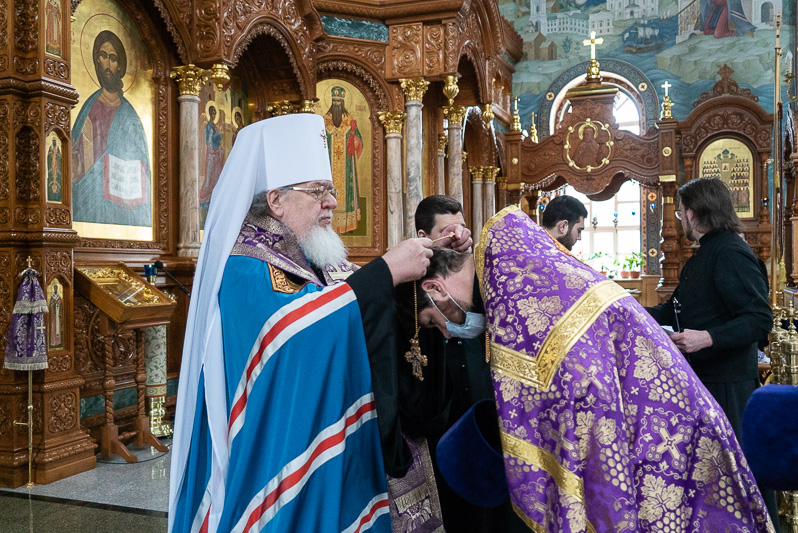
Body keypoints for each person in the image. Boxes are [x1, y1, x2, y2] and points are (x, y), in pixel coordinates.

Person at [400, 206, 774, 532]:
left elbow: (570, 382)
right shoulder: (512, 276)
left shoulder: (513, 282)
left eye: (434, 321)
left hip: (664, 432)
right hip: (664, 415)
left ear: (434, 288)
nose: (447, 330)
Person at [169, 114, 433, 533]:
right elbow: (292, 334)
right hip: (270, 456)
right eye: (319, 192)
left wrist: (424, 277)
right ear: (275, 201)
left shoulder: (308, 256)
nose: (332, 202)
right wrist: (385, 270)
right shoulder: (245, 266)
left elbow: (346, 300)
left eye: (331, 191)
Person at [646, 177, 778, 530]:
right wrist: (625, 308)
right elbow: (676, 312)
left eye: (680, 211)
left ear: (692, 212)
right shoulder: (704, 255)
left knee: (738, 480)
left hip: (729, 389)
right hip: (706, 385)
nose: (678, 217)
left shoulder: (729, 252)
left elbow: (759, 318)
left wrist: (707, 337)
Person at [71, 30, 151, 227]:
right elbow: (74, 159)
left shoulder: (130, 115)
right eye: (103, 56)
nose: (107, 64)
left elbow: (142, 164)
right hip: (90, 204)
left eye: (113, 58)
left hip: (123, 205)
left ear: (120, 66)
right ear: (96, 60)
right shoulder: (88, 108)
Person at [323, 86, 363, 234]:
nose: (337, 104)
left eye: (339, 101)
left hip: (347, 168)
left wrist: (354, 141)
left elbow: (359, 142)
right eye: (335, 101)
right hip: (328, 167)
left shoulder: (350, 122)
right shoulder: (324, 122)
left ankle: (348, 226)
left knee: (348, 193)